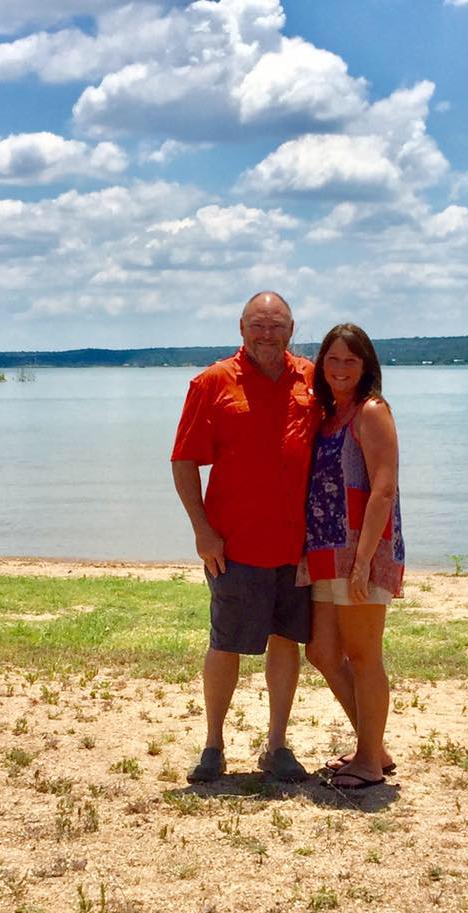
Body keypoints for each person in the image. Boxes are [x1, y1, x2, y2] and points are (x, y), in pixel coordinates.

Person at [171, 291, 319, 783]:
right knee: (225, 643)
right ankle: (213, 745)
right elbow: (183, 461)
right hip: (232, 545)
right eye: (258, 325)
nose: (267, 334)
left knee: (286, 641)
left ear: (291, 329)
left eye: (277, 325)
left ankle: (277, 745)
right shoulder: (213, 382)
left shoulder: (311, 380)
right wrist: (202, 532)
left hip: (296, 545)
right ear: (241, 328)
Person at [297, 323, 405, 790]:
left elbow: (383, 489)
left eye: (350, 360)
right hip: (324, 549)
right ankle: (373, 746)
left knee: (363, 655)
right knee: (321, 652)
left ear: (366, 366)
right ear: (322, 364)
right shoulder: (329, 415)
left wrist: (363, 563)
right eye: (333, 359)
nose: (340, 368)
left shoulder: (371, 411)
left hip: (362, 550)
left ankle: (368, 762)